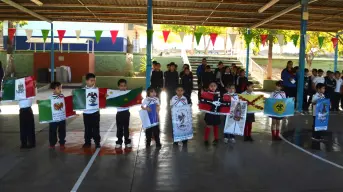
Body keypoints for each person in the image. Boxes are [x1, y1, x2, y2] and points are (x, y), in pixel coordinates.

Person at [83, 73, 101, 148]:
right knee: (87, 128)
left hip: (95, 112)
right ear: (86, 81)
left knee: (96, 128)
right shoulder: (82, 91)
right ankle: (87, 142)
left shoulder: (97, 90)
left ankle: (97, 142)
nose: (93, 82)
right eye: (91, 80)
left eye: (94, 81)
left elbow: (102, 98)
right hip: (86, 113)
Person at [48, 82, 66, 149]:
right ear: (53, 89)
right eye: (58, 88)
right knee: (52, 131)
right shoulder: (50, 98)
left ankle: (62, 142)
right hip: (53, 119)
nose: (60, 89)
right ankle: (52, 143)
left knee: (62, 131)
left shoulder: (62, 96)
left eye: (61, 88)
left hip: (61, 118)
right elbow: (47, 106)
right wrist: (40, 103)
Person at [115, 79, 132, 149]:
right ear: (118, 87)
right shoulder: (115, 93)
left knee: (126, 128)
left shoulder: (128, 93)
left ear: (126, 86)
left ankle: (127, 141)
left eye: (124, 86)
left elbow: (133, 99)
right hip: (119, 113)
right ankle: (119, 141)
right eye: (121, 86)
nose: (123, 87)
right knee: (119, 128)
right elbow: (109, 98)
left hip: (126, 113)